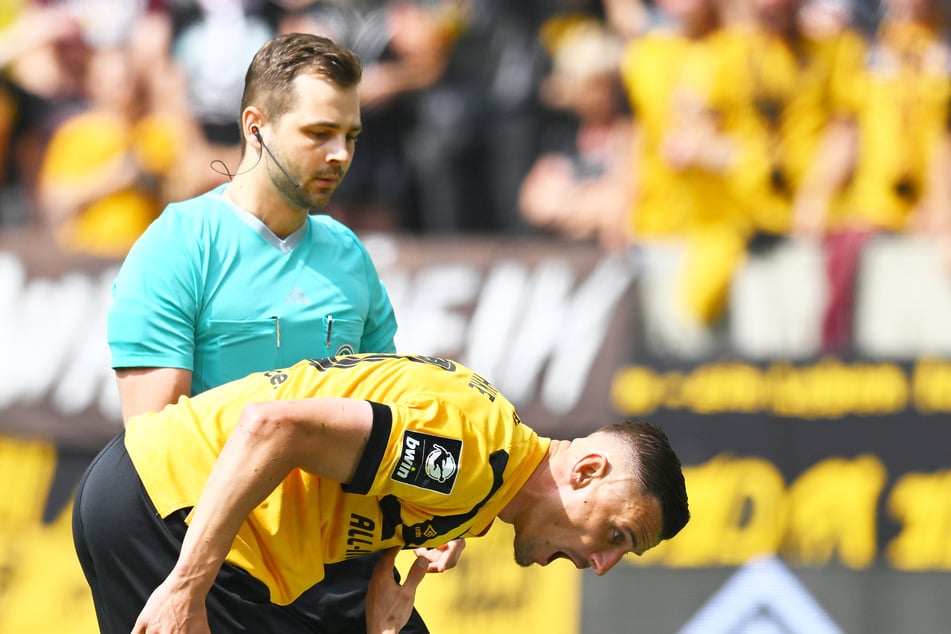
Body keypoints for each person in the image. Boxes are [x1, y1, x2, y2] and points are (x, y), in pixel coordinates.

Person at [105, 32, 451, 633]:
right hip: (226, 565)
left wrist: (426, 519)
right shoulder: (178, 245)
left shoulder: (349, 255)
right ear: (255, 125)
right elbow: (153, 454)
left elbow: (385, 420)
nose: (341, 154)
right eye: (319, 134)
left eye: (352, 136)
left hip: (335, 562)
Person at [72, 353, 691, 634]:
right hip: (169, 513)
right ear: (585, 471)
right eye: (617, 536)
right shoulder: (467, 462)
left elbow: (358, 485)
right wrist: (186, 584)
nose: (603, 564)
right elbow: (274, 426)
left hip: (164, 502)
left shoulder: (486, 468)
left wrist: (387, 577)